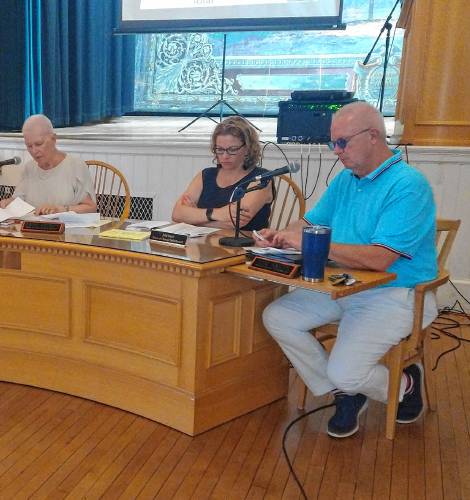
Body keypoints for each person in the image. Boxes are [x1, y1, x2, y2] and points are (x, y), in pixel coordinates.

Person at [257, 101, 438, 438]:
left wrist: (313, 244)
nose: (336, 151)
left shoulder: (408, 185)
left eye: (343, 142)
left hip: (394, 293)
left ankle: (405, 383)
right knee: (278, 317)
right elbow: (310, 222)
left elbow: (380, 259)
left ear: (373, 136)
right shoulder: (346, 180)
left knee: (347, 370)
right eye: (333, 143)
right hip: (343, 284)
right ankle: (345, 393)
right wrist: (285, 234)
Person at [172, 116, 273, 230]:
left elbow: (236, 223)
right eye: (220, 149)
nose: (225, 156)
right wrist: (216, 214)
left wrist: (194, 220)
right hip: (204, 244)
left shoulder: (262, 179)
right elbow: (177, 214)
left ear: (247, 149)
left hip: (245, 245)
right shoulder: (206, 175)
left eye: (232, 149)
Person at [0, 114, 97, 215]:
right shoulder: (29, 168)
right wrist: (8, 203)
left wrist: (61, 209)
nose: (34, 151)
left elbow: (91, 208)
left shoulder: (75, 166)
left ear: (53, 139)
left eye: (39, 144)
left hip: (65, 229)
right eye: (29, 146)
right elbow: (18, 201)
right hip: (34, 229)